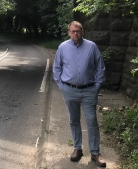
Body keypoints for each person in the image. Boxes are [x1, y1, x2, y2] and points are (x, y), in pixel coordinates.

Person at [53, 21, 106, 167]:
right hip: (69, 89)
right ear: (69, 32)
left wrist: (97, 85)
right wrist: (61, 85)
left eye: (78, 31)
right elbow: (57, 67)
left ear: (82, 31)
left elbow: (100, 67)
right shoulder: (63, 47)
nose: (75, 33)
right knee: (73, 120)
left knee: (92, 121)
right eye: (73, 31)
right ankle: (78, 149)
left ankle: (95, 152)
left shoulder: (91, 46)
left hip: (89, 90)